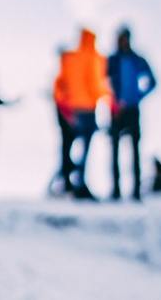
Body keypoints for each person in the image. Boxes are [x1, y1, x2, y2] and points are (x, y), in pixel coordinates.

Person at [52, 29, 109, 199]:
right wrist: (104, 97)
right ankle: (79, 182)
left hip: (72, 110)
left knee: (69, 144)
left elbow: (59, 85)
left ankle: (67, 180)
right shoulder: (94, 58)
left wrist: (64, 104)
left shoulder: (70, 58)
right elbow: (96, 84)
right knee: (84, 147)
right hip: (88, 108)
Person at [107, 26, 157, 201]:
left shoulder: (137, 60)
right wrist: (113, 99)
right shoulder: (112, 60)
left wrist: (138, 96)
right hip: (116, 110)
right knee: (114, 151)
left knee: (135, 151)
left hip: (132, 109)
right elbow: (101, 82)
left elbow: (152, 81)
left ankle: (135, 191)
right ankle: (116, 190)